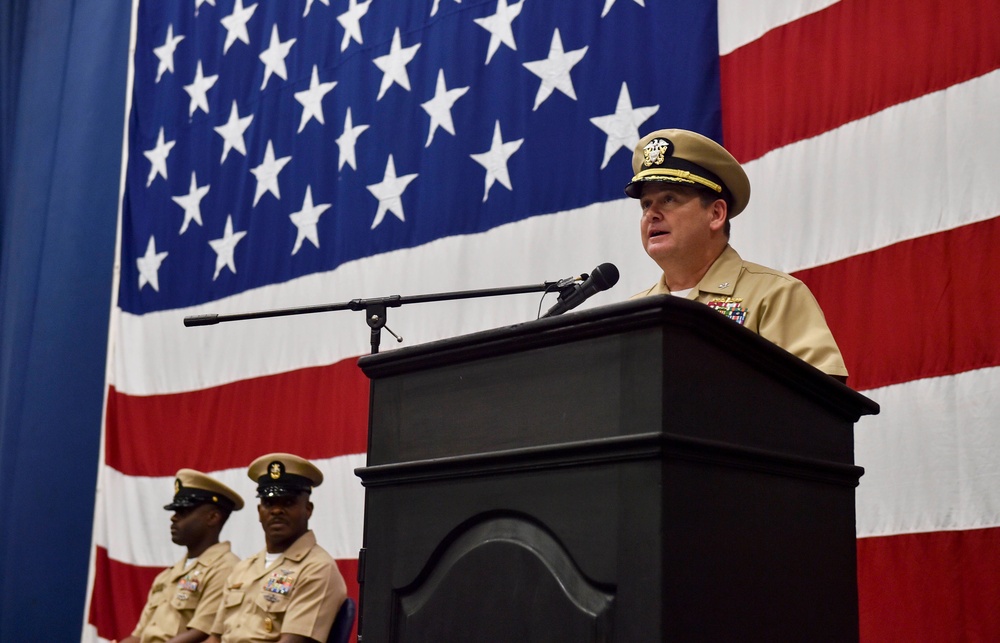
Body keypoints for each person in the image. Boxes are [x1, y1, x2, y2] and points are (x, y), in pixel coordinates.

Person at [625, 128, 848, 380]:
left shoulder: (774, 295)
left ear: (716, 214)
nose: (651, 214)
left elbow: (822, 396)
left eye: (669, 199)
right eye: (646, 204)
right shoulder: (634, 313)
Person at [207, 453, 347, 643]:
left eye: (288, 502)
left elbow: (293, 641)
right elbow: (215, 638)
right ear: (259, 511)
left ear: (308, 509)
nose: (276, 510)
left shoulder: (317, 568)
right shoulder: (243, 568)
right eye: (269, 503)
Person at [122, 469, 244, 643]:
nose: (173, 518)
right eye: (175, 512)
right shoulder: (167, 576)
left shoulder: (226, 569)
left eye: (183, 512)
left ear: (213, 517)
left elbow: (201, 633)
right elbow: (139, 635)